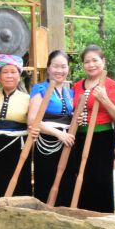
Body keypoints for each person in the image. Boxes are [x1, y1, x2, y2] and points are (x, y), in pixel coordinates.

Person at [68, 45, 115, 213]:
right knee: (81, 180)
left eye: (95, 60)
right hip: (79, 139)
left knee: (100, 181)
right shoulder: (77, 86)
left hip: (102, 139)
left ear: (103, 61)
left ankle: (102, 220)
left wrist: (105, 99)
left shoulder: (112, 85)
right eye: (87, 61)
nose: (91, 65)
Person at [29, 50, 75, 206]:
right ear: (48, 68)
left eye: (63, 66)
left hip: (68, 144)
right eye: (55, 66)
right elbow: (33, 120)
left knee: (66, 184)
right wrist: (58, 134)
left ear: (68, 69)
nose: (59, 71)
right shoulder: (39, 89)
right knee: (47, 182)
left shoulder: (70, 92)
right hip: (47, 143)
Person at [0, 54, 32, 198]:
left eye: (13, 72)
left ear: (19, 75)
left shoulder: (28, 99)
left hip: (18, 149)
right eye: (5, 72)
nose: (9, 76)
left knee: (18, 187)